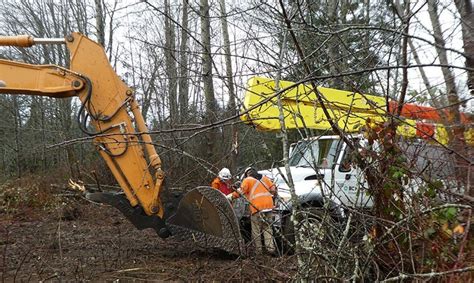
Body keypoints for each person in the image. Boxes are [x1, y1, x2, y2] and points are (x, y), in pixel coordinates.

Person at [226, 167, 276, 255]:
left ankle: (258, 251)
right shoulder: (265, 178)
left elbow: (241, 192)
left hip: (257, 208)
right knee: (267, 228)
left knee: (256, 230)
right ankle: (270, 249)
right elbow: (273, 189)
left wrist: (230, 197)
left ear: (247, 174)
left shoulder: (248, 180)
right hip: (268, 207)